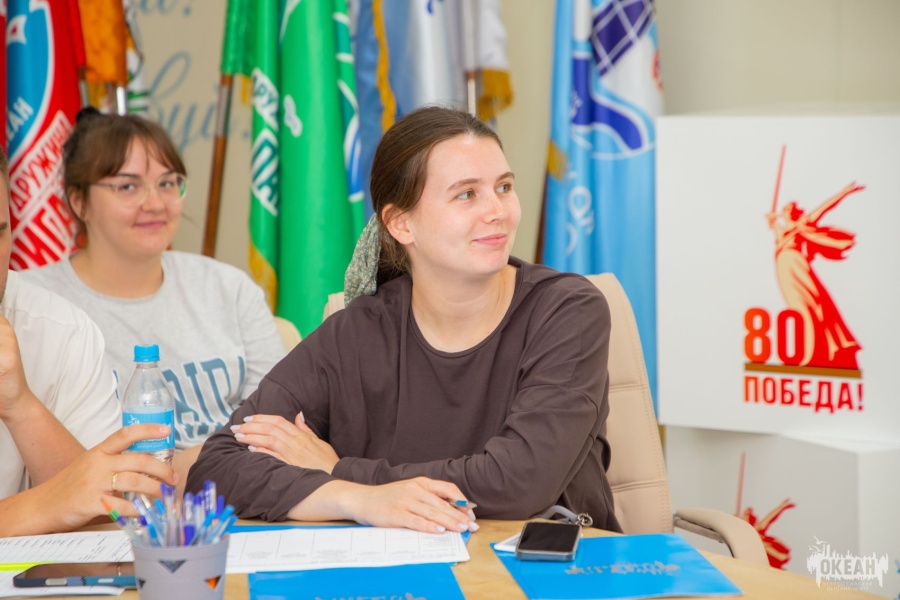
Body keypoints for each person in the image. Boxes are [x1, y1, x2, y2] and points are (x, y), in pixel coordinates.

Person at [188, 106, 619, 534]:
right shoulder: (356, 331)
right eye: (467, 194)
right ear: (401, 223)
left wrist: (340, 469)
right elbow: (214, 470)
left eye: (504, 187)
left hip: (542, 567)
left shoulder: (569, 311)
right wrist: (355, 497)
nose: (498, 211)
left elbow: (519, 482)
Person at [22, 110, 286, 488]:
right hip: (112, 511)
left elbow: (278, 420)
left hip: (241, 497)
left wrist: (185, 467)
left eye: (167, 183)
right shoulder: (35, 307)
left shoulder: (229, 288)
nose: (156, 203)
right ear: (79, 202)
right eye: (128, 187)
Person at [0, 146, 176, 537]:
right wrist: (43, 507)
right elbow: (70, 502)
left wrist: (20, 405)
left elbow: (104, 519)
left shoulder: (62, 329)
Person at [766, 182, 864, 370]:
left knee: (811, 303)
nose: (788, 210)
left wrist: (844, 192)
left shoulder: (803, 224)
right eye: (786, 208)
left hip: (797, 264)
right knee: (797, 306)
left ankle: (817, 351)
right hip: (784, 267)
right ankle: (808, 350)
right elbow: (775, 230)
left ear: (795, 212)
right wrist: (772, 221)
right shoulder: (782, 230)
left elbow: (825, 207)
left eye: (791, 208)